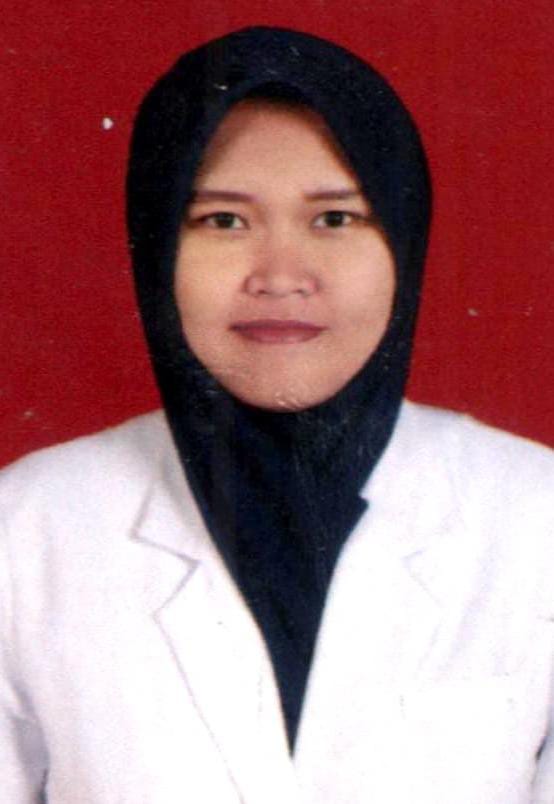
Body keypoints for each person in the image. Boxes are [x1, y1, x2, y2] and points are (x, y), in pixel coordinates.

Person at [1, 26, 553, 804]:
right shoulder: (27, 530)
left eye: (337, 219)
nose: (282, 276)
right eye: (223, 220)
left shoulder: (535, 518)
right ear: (156, 245)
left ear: (404, 239)